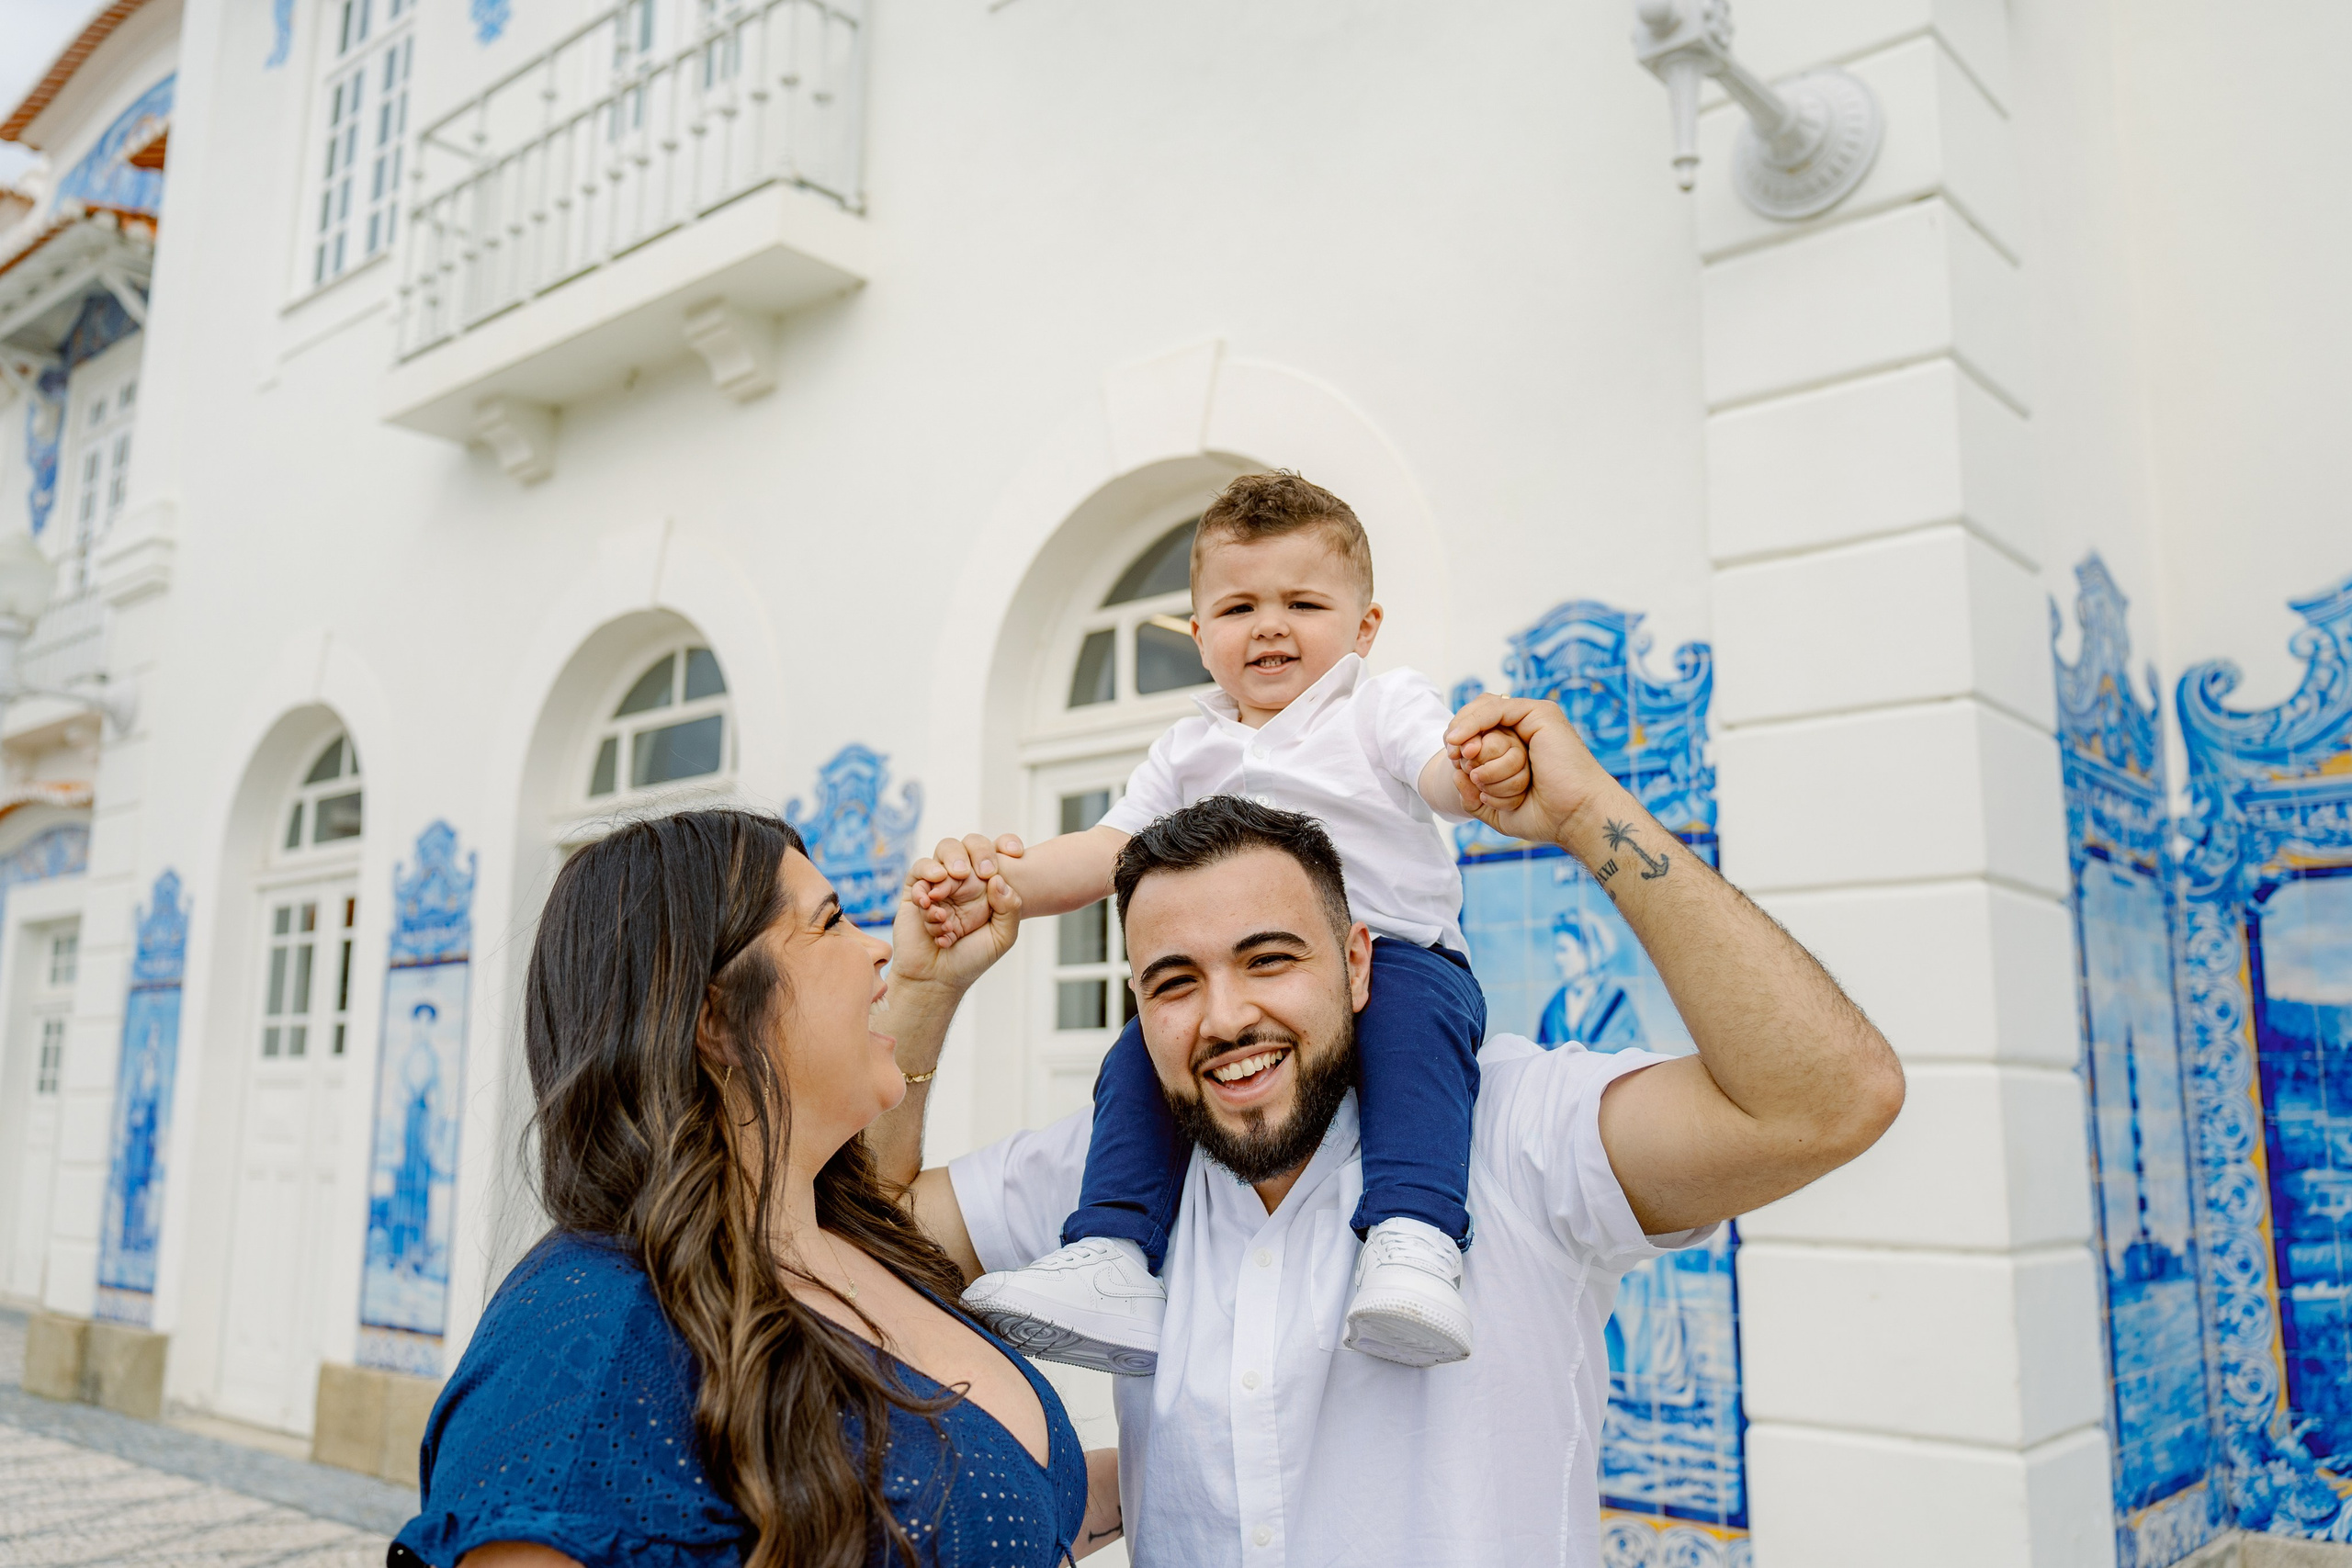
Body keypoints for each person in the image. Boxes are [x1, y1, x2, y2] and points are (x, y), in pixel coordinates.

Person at [879, 694, 1905, 1566]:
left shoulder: (1514, 1131)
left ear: (1361, 965)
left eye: (1271, 959)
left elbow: (1825, 1101)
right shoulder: (1101, 1172)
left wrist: (1590, 816)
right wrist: (924, 990)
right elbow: (859, 1232)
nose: (1226, 1015)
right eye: (1174, 982)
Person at [910, 470, 1527, 1372]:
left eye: (1303, 602)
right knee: (1136, 1061)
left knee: (1414, 1045)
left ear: (1363, 628)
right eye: (1238, 607)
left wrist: (1471, 776)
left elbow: (1431, 769)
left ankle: (1414, 1240)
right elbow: (1111, 846)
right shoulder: (1186, 747)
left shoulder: (1377, 706)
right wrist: (1004, 883)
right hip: (1229, 975)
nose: (1270, 625)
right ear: (1198, 637)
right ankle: (1115, 1252)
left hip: (1394, 954)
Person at [388, 811, 1122, 1568]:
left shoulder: (846, 1242)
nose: (876, 947)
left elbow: (1001, 1521)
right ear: (713, 1017)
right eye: (830, 921)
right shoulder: (589, 1341)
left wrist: (1183, 1461)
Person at [1535, 906, 1645, 1050]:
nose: (1557, 959)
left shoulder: (1616, 1001)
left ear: (1589, 950)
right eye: (1555, 951)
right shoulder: (1553, 1009)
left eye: (1563, 950)